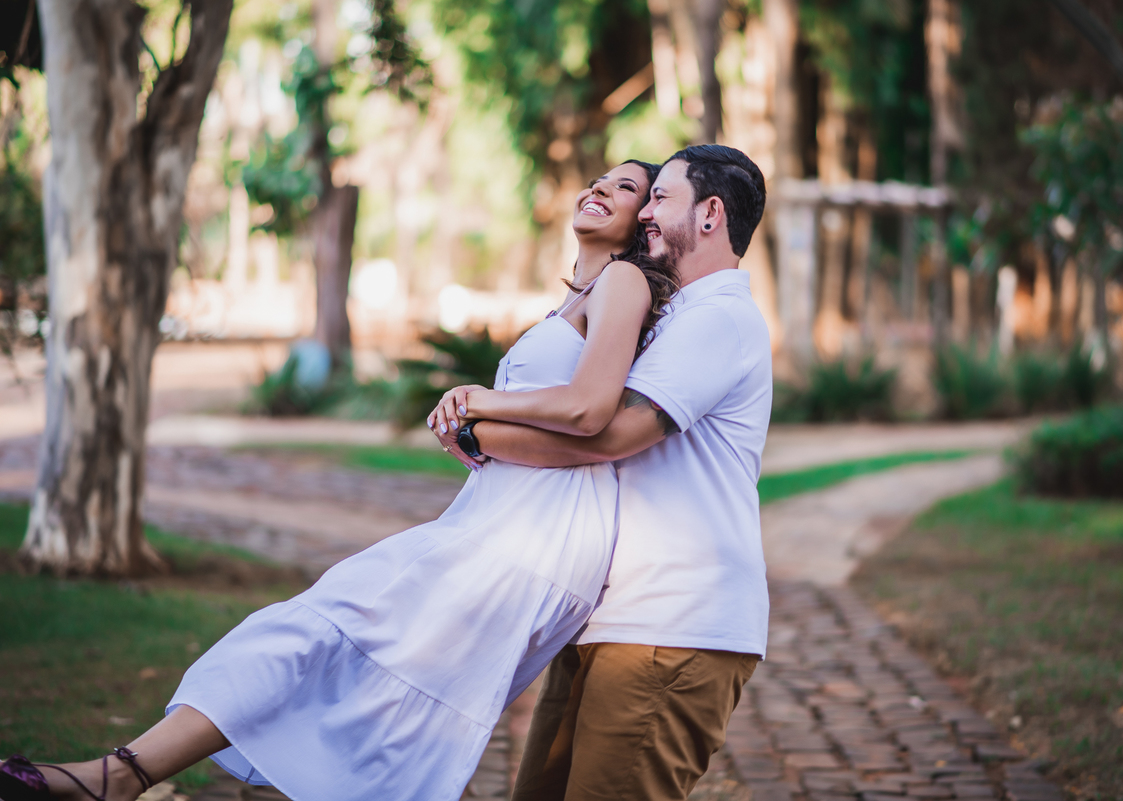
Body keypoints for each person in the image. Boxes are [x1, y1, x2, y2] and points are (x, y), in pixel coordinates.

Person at [0, 159, 676, 801]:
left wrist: (479, 401)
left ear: (644, 220)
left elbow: (590, 408)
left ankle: (119, 776)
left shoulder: (623, 280)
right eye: (598, 179)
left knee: (329, 638)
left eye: (623, 188)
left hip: (539, 535)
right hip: (506, 517)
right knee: (395, 695)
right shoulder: (579, 298)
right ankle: (121, 775)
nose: (599, 189)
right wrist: (477, 431)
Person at [434, 143, 772, 801]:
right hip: (609, 617)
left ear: (710, 214)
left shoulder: (719, 318)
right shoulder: (671, 311)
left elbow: (608, 435)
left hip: (673, 622)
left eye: (659, 198)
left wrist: (479, 425)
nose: (644, 212)